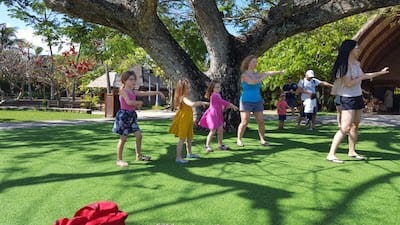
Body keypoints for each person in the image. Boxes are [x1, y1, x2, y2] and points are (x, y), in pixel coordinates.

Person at [327, 39, 390, 163]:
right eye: (357, 48)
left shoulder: (356, 63)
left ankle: (352, 151)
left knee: (355, 126)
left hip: (357, 97)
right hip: (347, 98)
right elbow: (349, 83)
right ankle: (331, 154)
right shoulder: (343, 66)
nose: (359, 50)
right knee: (345, 127)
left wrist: (380, 73)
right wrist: (361, 77)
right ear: (350, 49)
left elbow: (364, 75)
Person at [112, 70, 165, 167]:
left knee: (139, 136)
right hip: (124, 116)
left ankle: (139, 155)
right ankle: (119, 160)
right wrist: (138, 103)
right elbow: (128, 102)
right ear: (124, 80)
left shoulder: (133, 91)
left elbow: (145, 93)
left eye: (134, 79)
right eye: (130, 79)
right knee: (123, 139)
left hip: (131, 116)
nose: (133, 81)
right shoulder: (122, 91)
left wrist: (157, 92)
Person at [237, 55, 284, 147]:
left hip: (257, 100)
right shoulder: (244, 75)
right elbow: (252, 82)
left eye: (256, 62)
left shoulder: (257, 74)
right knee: (245, 121)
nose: (255, 64)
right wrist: (263, 77)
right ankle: (239, 139)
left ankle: (263, 139)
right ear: (248, 63)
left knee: (261, 121)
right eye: (254, 62)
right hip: (246, 101)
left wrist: (280, 72)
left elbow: (269, 73)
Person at [169, 79, 209, 164]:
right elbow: (192, 104)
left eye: (189, 88)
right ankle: (178, 157)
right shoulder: (183, 98)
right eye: (187, 88)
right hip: (184, 120)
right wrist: (200, 102)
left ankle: (189, 153)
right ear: (182, 89)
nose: (189, 90)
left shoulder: (185, 97)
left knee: (190, 137)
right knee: (182, 139)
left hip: (188, 120)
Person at [198, 80, 239, 152]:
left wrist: (228, 107)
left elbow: (221, 105)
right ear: (212, 88)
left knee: (220, 130)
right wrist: (232, 105)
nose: (218, 89)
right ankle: (207, 146)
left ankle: (220, 145)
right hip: (213, 115)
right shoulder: (214, 96)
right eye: (216, 87)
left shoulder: (218, 95)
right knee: (213, 131)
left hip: (218, 114)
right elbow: (223, 102)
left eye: (219, 87)